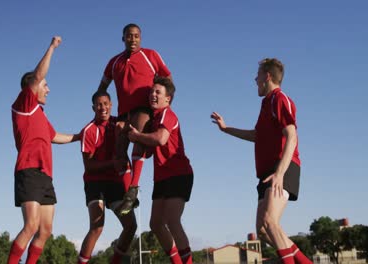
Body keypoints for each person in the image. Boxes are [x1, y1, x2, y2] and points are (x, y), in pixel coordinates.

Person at [210, 58, 312, 264]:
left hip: (283, 167)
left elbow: (292, 135)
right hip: (267, 172)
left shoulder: (280, 99)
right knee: (264, 231)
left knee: (270, 221)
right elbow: (256, 136)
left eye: (257, 75)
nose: (255, 79)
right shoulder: (266, 104)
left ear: (267, 76)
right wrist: (225, 128)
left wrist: (280, 173)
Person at [8, 36, 79, 264]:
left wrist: (80, 136)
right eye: (45, 85)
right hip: (28, 171)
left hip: (45, 176)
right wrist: (52, 48)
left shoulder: (40, 114)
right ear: (33, 87)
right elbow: (38, 75)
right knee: (31, 225)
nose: (48, 89)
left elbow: (55, 136)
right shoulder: (24, 105)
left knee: (45, 230)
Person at [97, 23, 172, 215]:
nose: (133, 39)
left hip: (143, 109)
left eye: (137, 36)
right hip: (123, 112)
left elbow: (168, 78)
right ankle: (129, 195)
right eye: (129, 36)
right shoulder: (114, 62)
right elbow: (103, 86)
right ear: (123, 38)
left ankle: (134, 187)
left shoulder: (151, 55)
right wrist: (101, 103)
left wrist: (165, 104)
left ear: (141, 38)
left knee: (136, 137)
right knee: (119, 152)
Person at [128, 76, 193, 264]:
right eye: (151, 91)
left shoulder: (167, 114)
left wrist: (138, 136)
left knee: (172, 221)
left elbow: (160, 139)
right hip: (162, 177)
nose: (153, 95)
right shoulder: (154, 119)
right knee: (155, 224)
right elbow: (149, 149)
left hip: (179, 174)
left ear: (168, 99)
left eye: (158, 92)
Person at [77, 91, 137, 264]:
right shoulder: (89, 131)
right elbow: (88, 166)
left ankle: (115, 261)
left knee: (131, 225)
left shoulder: (120, 125)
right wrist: (112, 163)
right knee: (97, 227)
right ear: (93, 108)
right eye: (98, 104)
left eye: (105, 103)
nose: (102, 107)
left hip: (115, 183)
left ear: (111, 105)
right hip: (95, 183)